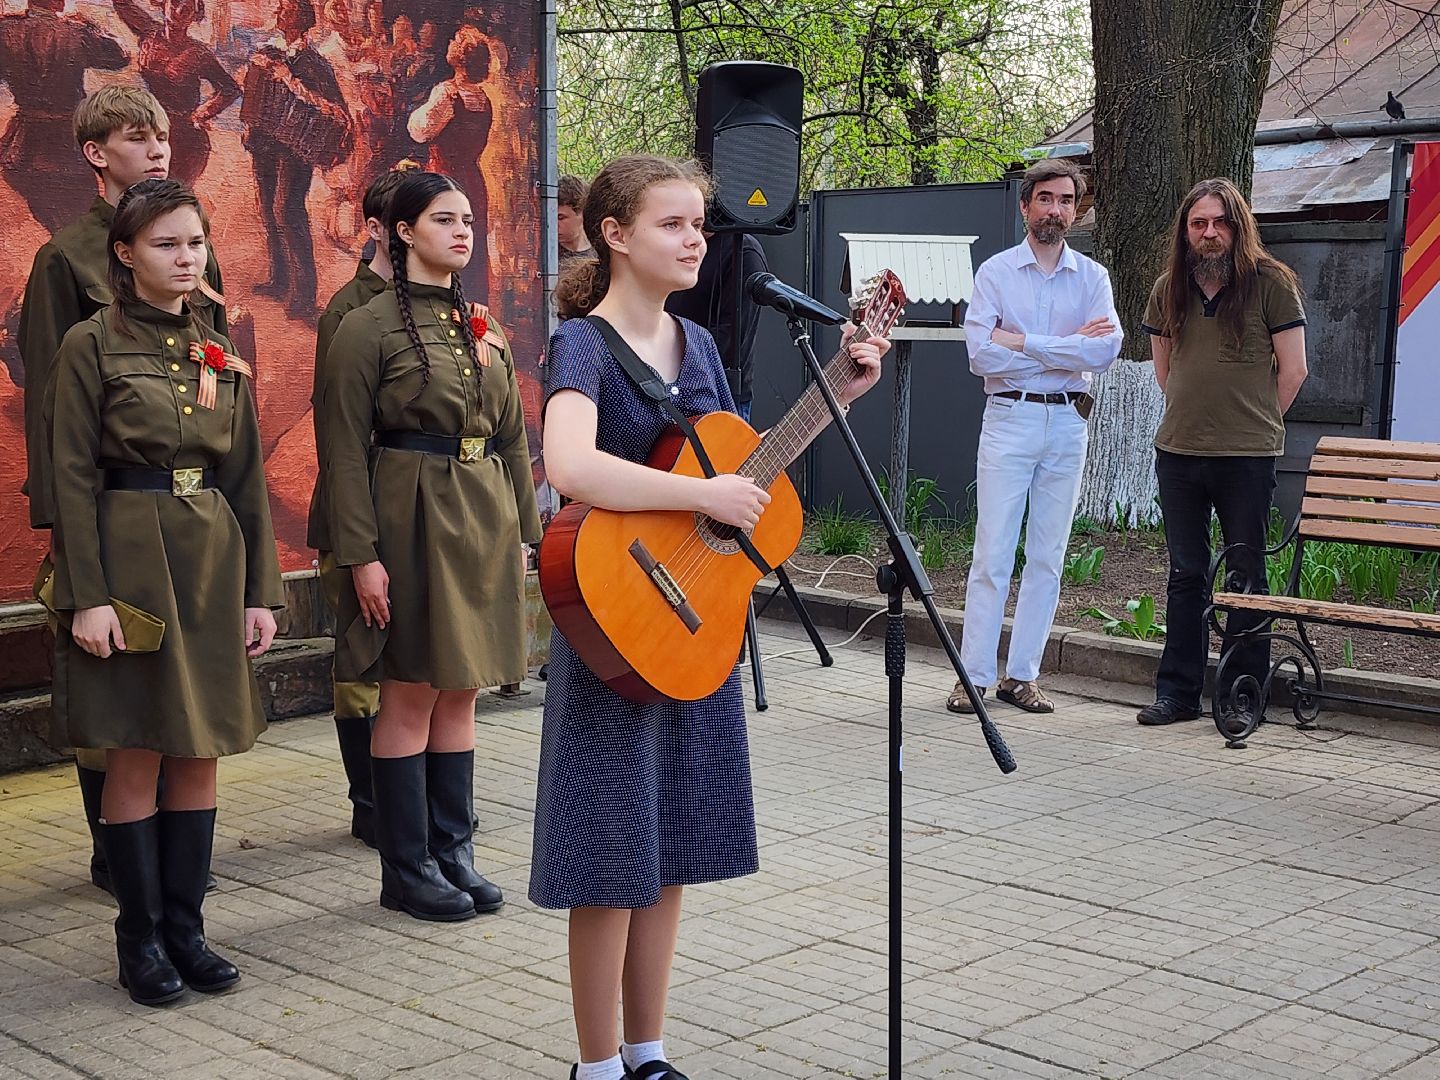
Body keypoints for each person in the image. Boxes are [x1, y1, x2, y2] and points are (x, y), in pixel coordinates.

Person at [532, 154, 887, 1080]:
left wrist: (839, 391)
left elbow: (739, 469)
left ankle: (648, 1053)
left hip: (694, 624)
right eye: (674, 225)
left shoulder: (702, 346)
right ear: (614, 235)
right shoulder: (583, 342)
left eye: (699, 225)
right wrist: (707, 497)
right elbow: (569, 466)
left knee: (676, 839)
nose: (696, 240)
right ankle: (595, 1065)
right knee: (611, 854)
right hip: (613, 616)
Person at [48, 178, 282, 1006]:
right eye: (166, 244)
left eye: (196, 243)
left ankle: (188, 931)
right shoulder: (91, 344)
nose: (188, 259)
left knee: (199, 746)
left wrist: (261, 592)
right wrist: (88, 596)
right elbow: (71, 478)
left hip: (211, 561)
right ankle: (139, 941)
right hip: (129, 559)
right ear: (125, 254)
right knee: (138, 747)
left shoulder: (216, 344)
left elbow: (246, 477)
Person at [19, 86, 227, 897]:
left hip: (184, 516)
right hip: (105, 508)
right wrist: (69, 547)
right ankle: (117, 853)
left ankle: (170, 867)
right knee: (115, 693)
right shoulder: (66, 259)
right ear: (96, 155)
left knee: (179, 702)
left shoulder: (187, 246)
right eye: (138, 138)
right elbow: (50, 399)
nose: (159, 148)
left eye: (164, 136)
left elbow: (214, 376)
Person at [322, 170, 541, 922]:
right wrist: (362, 556)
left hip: (482, 517)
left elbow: (512, 437)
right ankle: (405, 867)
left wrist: (522, 533)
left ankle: (455, 854)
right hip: (407, 516)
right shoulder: (366, 326)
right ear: (403, 231)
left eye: (468, 220)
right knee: (411, 689)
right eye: (444, 219)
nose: (462, 232)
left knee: (462, 690)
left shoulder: (484, 326)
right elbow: (343, 451)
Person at [948, 158, 1123, 716]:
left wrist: (1024, 344)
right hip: (1010, 418)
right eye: (1045, 198)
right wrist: (1063, 345)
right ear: (1025, 206)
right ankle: (973, 678)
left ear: (1077, 208)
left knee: (1048, 556)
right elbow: (980, 356)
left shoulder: (1093, 278)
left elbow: (1105, 350)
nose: (1055, 209)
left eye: (1066, 200)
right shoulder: (996, 273)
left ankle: (1021, 676)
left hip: (1069, 422)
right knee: (992, 553)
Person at [1135, 177, 1307, 727]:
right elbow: (1165, 371)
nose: (1210, 234)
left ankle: (1240, 696)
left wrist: (1250, 426)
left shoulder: (1273, 284)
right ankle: (1178, 695)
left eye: (1220, 222)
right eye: (1198, 224)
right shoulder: (1169, 288)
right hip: (1179, 454)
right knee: (1185, 574)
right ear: (1186, 232)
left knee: (1245, 575)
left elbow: (1295, 370)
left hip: (1247, 458)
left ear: (1238, 226)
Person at [308, 165, 411, 849]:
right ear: (379, 229)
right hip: (360, 511)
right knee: (362, 660)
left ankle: (407, 798)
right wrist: (355, 544)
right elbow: (339, 436)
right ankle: (369, 801)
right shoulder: (351, 313)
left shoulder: (442, 308)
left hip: (416, 514)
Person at [241, 0, 351, 318]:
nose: (278, 12)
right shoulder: (269, 53)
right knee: (267, 210)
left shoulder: (315, 62)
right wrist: (249, 125)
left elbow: (335, 111)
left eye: (285, 10)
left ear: (301, 19)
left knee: (288, 210)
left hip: (296, 147)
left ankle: (303, 296)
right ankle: (279, 280)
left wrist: (289, 80)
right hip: (265, 144)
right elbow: (255, 93)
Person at [0, 0, 127, 232]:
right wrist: (89, 24)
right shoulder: (75, 31)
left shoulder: (6, 29)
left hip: (22, 148)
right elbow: (120, 56)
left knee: (57, 223)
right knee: (81, 224)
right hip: (66, 148)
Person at [407, 26, 493, 302]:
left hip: (442, 180)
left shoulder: (447, 94)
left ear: (458, 56)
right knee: (469, 245)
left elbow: (419, 130)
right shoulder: (484, 100)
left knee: (439, 243)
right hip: (472, 181)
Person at [113, 0, 241, 187]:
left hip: (184, 138)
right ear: (163, 4)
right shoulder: (149, 32)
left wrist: (202, 113)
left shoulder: (197, 53)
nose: (180, 10)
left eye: (188, 8)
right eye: (175, 3)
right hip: (150, 127)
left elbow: (231, 89)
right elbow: (121, 3)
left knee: (170, 197)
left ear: (194, 15)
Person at [664, 230, 768, 421]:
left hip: (716, 400)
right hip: (667, 392)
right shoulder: (678, 247)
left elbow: (729, 341)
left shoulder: (744, 253)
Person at [557, 174, 593, 262]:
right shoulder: (542, 253)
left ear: (582, 214)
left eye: (561, 218)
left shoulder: (602, 253)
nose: (553, 226)